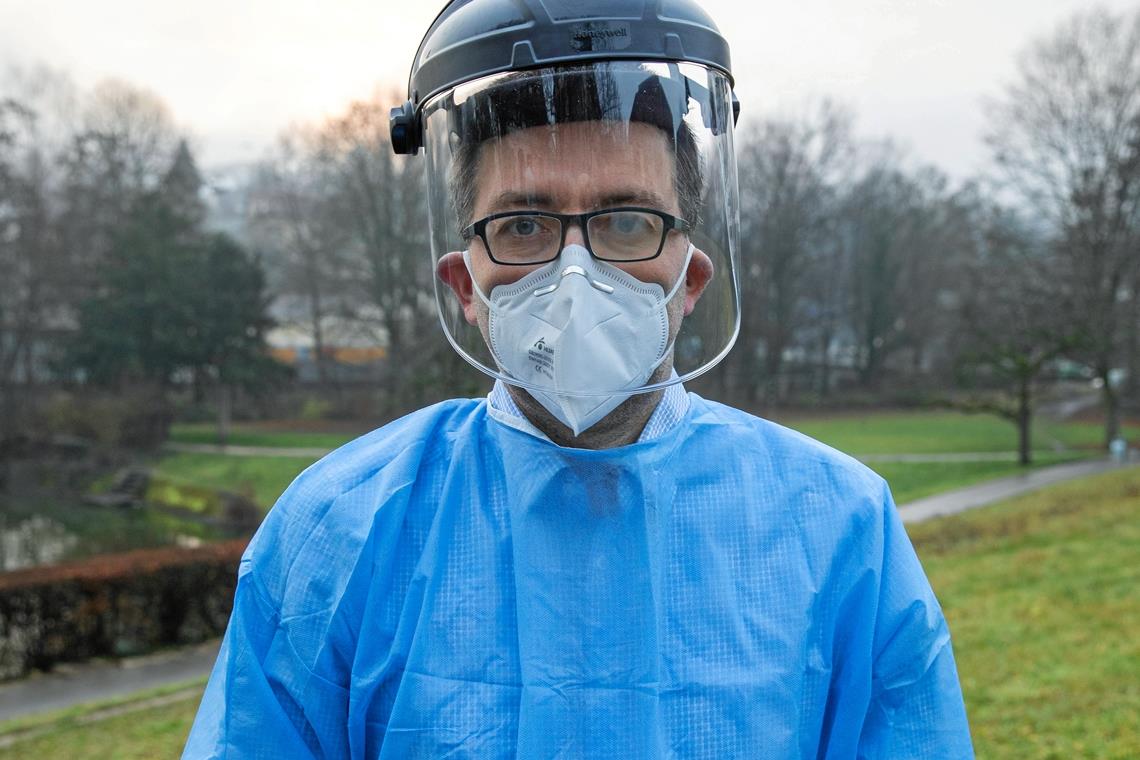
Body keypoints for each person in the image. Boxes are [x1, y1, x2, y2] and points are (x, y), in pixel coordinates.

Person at [184, 1, 975, 757]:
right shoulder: (340, 532)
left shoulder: (837, 532)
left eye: (627, 221)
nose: (576, 271)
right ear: (466, 285)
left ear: (689, 278)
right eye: (523, 225)